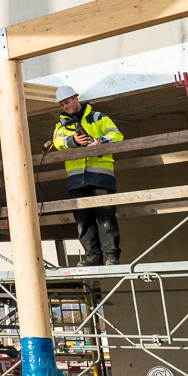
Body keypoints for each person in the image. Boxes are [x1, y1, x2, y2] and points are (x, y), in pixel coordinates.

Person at [52, 85, 123, 265]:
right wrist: (73, 141)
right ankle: (93, 257)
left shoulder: (98, 117)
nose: (65, 107)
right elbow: (57, 142)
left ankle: (112, 256)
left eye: (67, 102)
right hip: (77, 179)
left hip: (101, 175)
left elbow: (117, 135)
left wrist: (100, 141)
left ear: (76, 98)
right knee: (83, 221)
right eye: (62, 104)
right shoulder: (62, 125)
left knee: (106, 217)